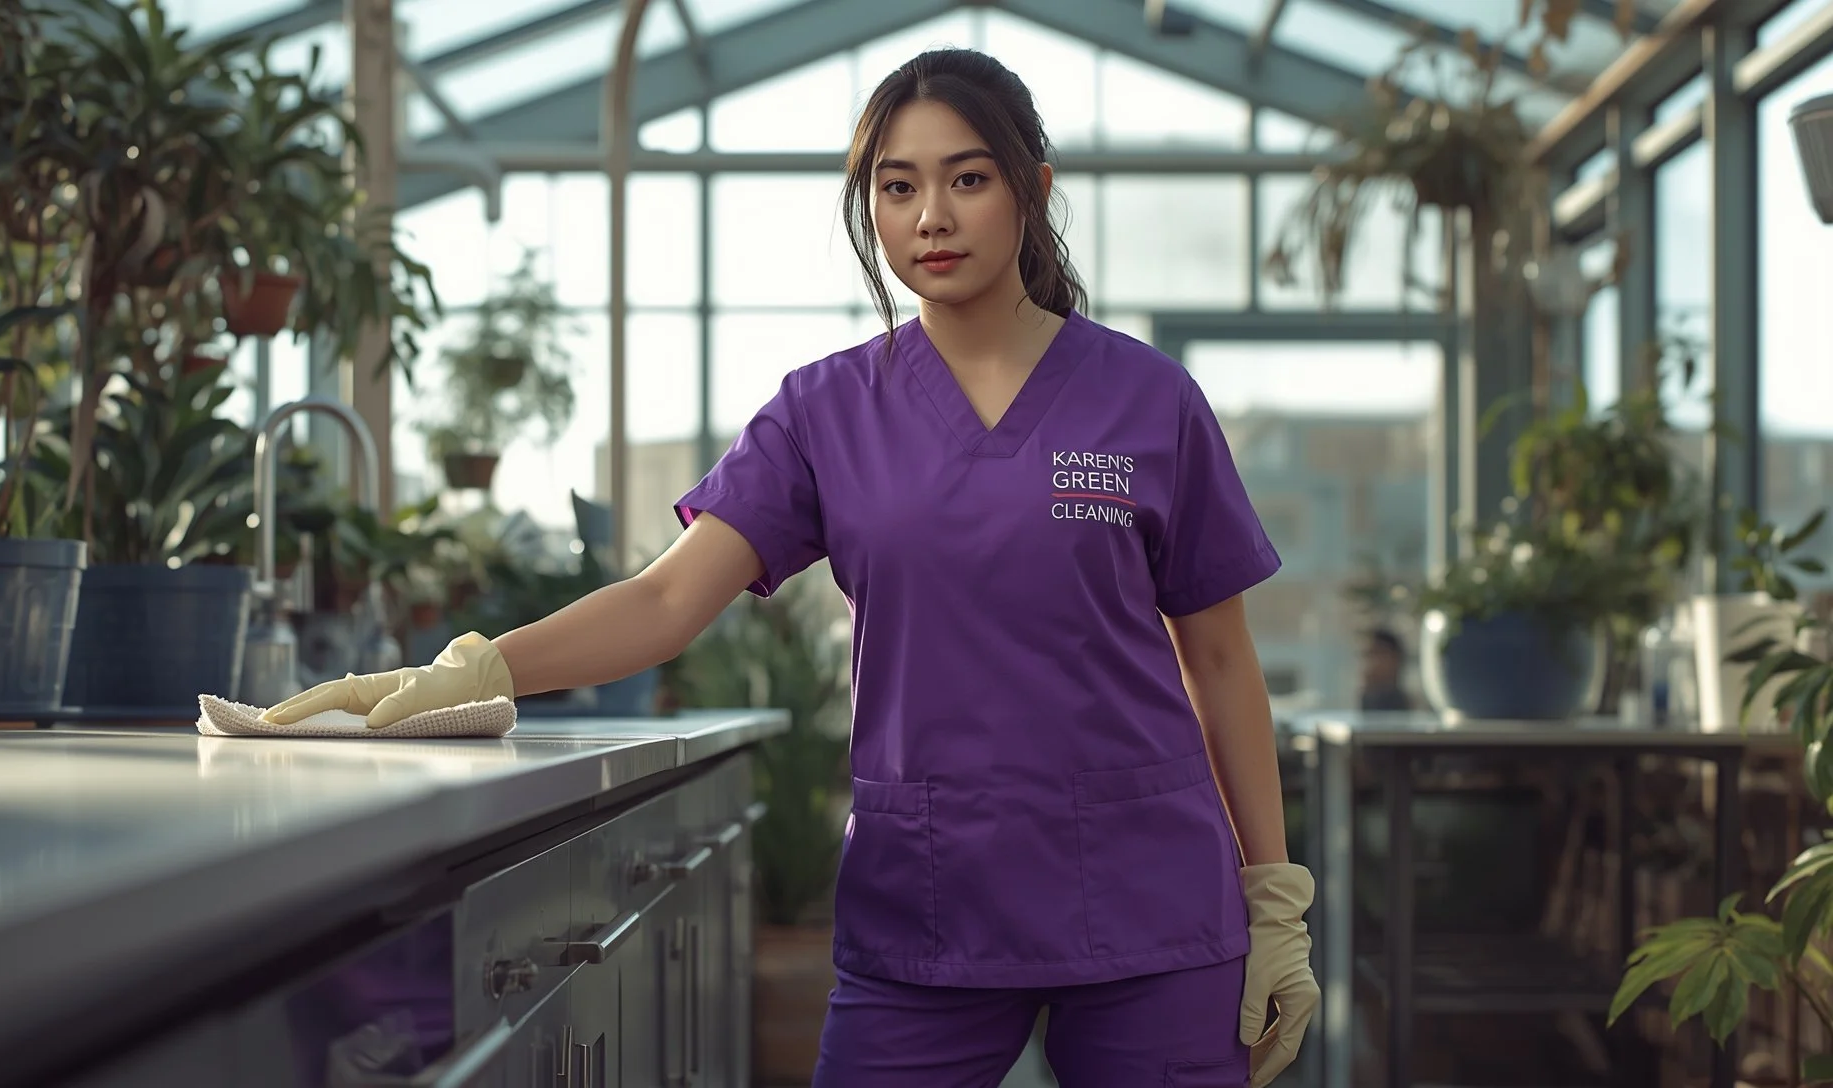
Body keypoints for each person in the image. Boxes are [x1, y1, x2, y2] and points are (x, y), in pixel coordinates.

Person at [262, 47, 1319, 1088]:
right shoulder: (825, 410)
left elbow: (1220, 662)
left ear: (1033, 190)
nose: (931, 218)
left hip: (1148, 896)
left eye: (968, 178)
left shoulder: (1146, 399)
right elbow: (668, 597)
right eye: (896, 187)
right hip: (931, 903)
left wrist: (1274, 896)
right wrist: (477, 666)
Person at [1359, 627, 1412, 711]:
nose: (1371, 663)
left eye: (1377, 654)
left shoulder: (1411, 708)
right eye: (1368, 655)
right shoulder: (1364, 701)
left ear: (1395, 659)